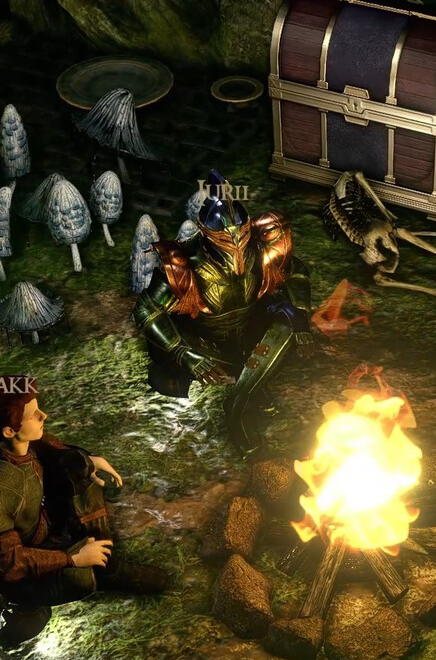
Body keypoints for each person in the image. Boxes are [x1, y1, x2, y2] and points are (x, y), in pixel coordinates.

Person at [0, 377, 170, 641]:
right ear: (8, 431)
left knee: (74, 466)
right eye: (33, 415)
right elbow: (7, 562)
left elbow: (35, 443)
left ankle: (106, 566)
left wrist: (86, 461)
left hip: (33, 520)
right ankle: (25, 609)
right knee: (67, 590)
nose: (44, 416)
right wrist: (72, 559)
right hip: (22, 566)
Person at [134, 169, 314, 453]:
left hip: (250, 329)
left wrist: (299, 314)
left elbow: (295, 270)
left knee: (287, 326)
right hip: (207, 340)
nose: (235, 242)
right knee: (218, 359)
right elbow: (148, 309)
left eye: (240, 234)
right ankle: (242, 398)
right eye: (225, 237)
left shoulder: (260, 247)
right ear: (207, 233)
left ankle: (243, 394)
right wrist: (184, 353)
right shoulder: (184, 262)